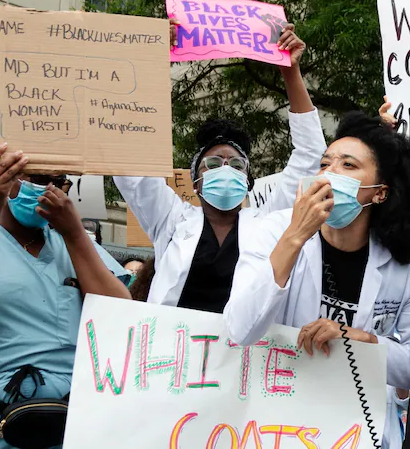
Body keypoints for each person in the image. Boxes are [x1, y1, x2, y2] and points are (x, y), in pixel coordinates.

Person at [0, 145, 130, 448]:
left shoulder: (78, 248)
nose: (47, 189)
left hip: (65, 426)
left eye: (58, 181)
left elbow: (121, 318)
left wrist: (74, 234)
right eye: (36, 177)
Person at [115, 23, 326, 312]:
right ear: (195, 181)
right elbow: (131, 167)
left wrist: (290, 71)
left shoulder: (268, 222)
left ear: (248, 181)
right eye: (213, 164)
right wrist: (154, 62)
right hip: (176, 349)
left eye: (237, 165)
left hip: (246, 353)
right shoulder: (172, 221)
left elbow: (311, 155)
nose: (225, 169)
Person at [224, 111, 410, 395]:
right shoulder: (276, 230)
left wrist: (360, 341)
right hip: (279, 410)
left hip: (354, 421)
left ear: (380, 193)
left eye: (348, 165)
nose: (329, 173)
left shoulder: (407, 260)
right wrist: (295, 235)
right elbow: (240, 329)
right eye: (325, 163)